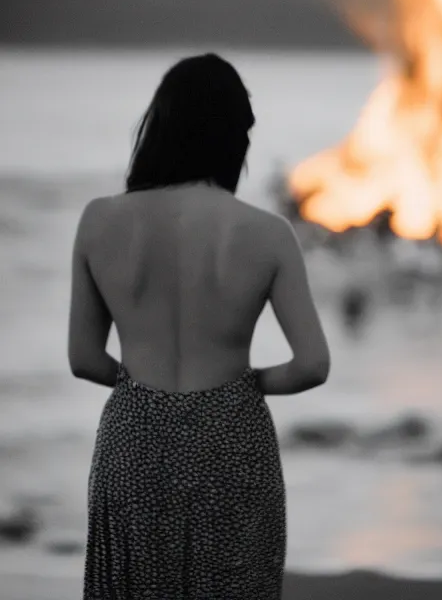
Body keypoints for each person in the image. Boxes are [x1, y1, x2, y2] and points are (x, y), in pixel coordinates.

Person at [67, 53, 331, 599]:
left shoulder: (99, 220)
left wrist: (142, 389)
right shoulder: (267, 233)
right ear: (237, 139)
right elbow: (311, 365)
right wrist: (245, 384)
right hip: (232, 437)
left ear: (159, 126)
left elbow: (85, 359)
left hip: (135, 438)